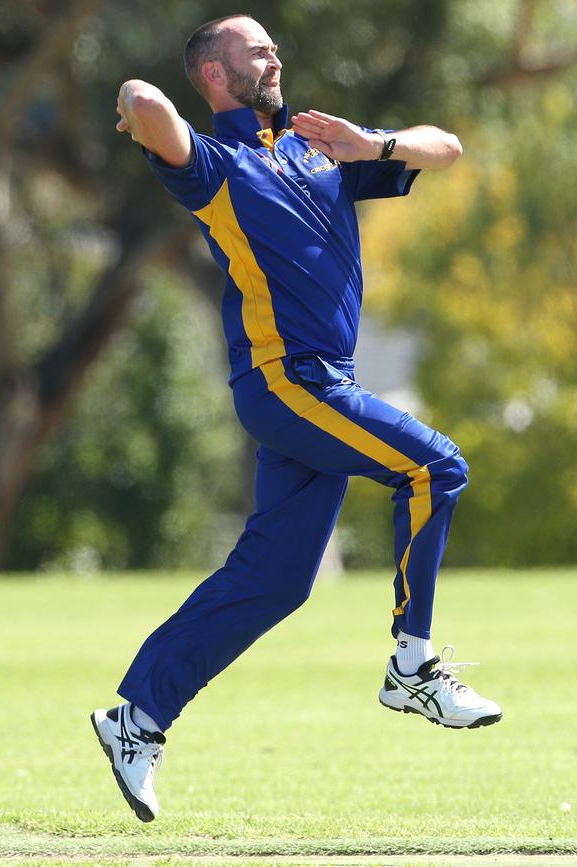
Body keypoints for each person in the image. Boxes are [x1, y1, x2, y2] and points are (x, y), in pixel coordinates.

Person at [90, 13, 502, 823]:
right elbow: (148, 111)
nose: (275, 55)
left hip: (321, 387)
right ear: (214, 75)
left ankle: (134, 719)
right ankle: (412, 667)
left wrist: (374, 143)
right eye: (255, 48)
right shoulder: (215, 165)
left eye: (274, 45)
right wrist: (135, 92)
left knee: (277, 581)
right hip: (287, 383)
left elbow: (446, 146)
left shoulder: (325, 147)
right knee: (436, 465)